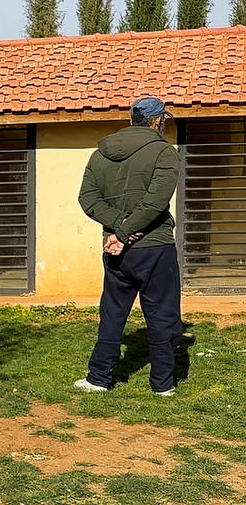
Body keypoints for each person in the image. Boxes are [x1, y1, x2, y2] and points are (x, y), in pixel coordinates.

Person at [76, 96, 183, 397]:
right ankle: (162, 385)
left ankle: (98, 378)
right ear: (158, 120)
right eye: (165, 118)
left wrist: (119, 230)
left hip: (114, 250)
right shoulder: (164, 152)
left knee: (112, 313)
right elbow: (156, 202)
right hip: (154, 248)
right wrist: (126, 231)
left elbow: (88, 199)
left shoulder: (101, 154)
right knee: (161, 315)